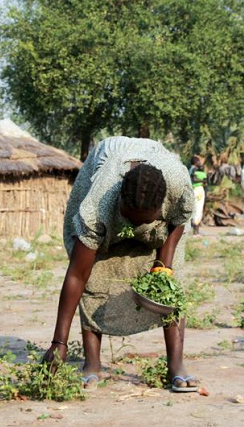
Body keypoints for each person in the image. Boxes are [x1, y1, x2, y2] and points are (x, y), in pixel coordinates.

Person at [43, 137, 199, 392]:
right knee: (94, 275)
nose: (135, 228)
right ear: (120, 204)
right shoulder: (97, 207)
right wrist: (59, 342)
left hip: (154, 161)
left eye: (143, 222)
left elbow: (179, 220)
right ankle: (92, 364)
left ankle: (176, 365)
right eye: (130, 219)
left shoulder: (178, 184)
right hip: (105, 162)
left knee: (170, 285)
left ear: (162, 206)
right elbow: (78, 275)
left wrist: (163, 266)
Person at [189, 155, 207, 235]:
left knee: (195, 209)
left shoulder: (190, 169)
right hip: (197, 190)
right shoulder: (194, 169)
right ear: (196, 162)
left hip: (193, 190)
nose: (200, 163)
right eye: (199, 161)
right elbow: (193, 179)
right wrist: (202, 181)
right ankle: (196, 232)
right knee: (198, 209)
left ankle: (195, 231)